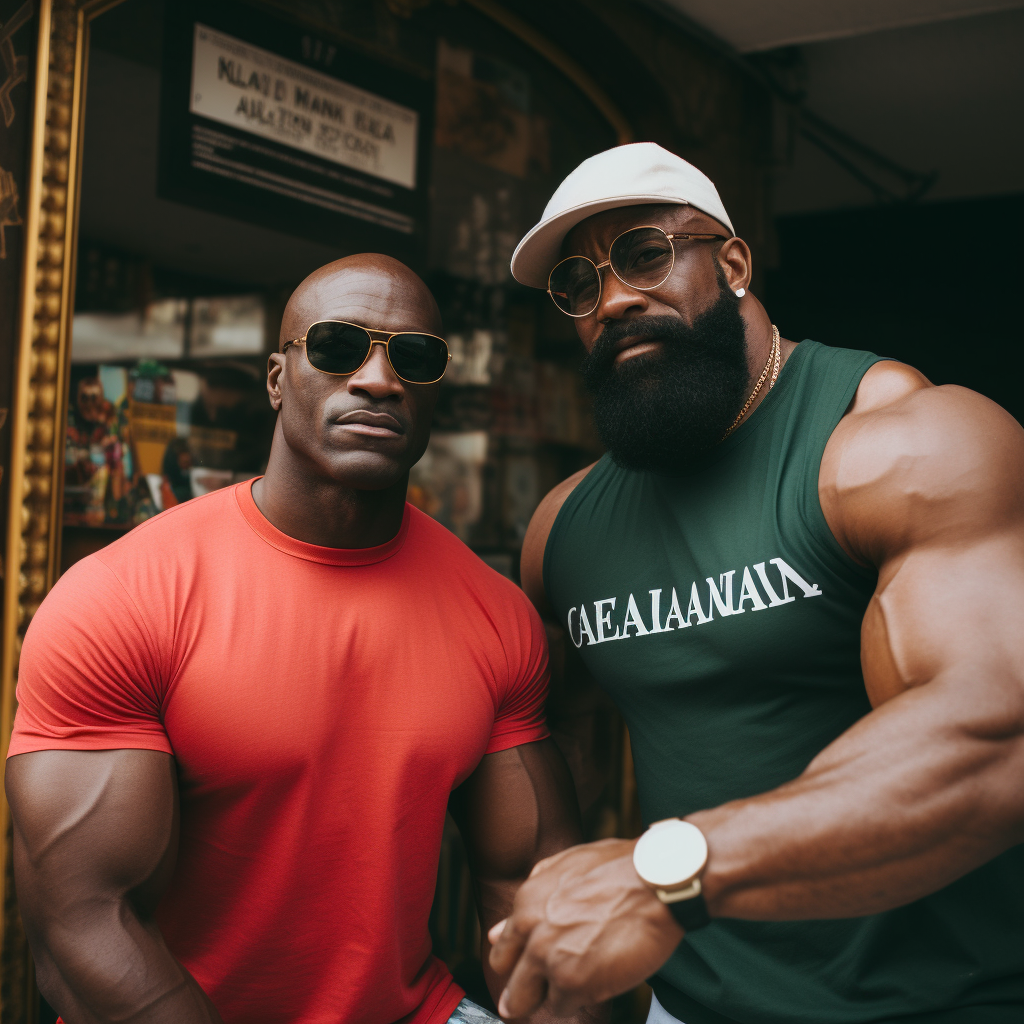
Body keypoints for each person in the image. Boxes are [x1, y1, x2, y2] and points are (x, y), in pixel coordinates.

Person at [487, 143, 1024, 1024]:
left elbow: (996, 736)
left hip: (938, 1003)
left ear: (732, 261)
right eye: (580, 285)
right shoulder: (564, 532)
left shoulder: (898, 441)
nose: (614, 299)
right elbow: (555, 758)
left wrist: (666, 877)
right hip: (689, 1005)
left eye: (645, 255)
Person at [6, 255, 586, 1024]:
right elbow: (82, 923)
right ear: (278, 379)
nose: (380, 381)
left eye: (414, 359)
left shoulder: (495, 615)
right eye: (338, 347)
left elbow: (527, 889)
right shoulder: (124, 599)